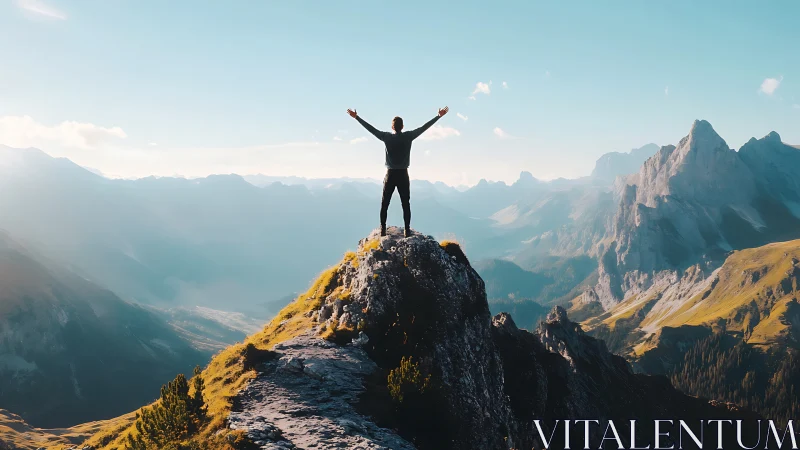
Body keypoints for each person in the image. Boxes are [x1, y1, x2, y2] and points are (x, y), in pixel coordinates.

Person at [346, 106, 449, 237]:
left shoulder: (386, 137)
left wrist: (357, 117)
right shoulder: (408, 136)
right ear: (402, 126)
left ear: (392, 127)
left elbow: (371, 129)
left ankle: (383, 229)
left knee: (385, 203)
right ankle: (407, 229)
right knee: (405, 203)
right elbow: (424, 127)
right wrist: (438, 116)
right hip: (403, 175)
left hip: (390, 174)